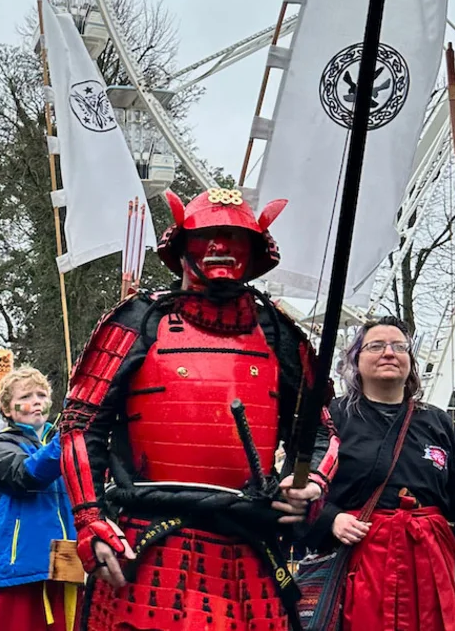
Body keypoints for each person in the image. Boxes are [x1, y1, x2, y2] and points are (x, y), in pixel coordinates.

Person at [59, 188, 331, 630]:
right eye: (208, 234)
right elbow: (79, 424)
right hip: (149, 539)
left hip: (248, 541)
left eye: (234, 236)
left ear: (256, 248)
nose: (220, 247)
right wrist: (91, 520)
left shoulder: (278, 332)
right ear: (184, 242)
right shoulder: (137, 320)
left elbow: (320, 429)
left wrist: (309, 483)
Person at [305, 316, 455, 630]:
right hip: (358, 564)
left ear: (410, 362)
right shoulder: (331, 418)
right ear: (355, 360)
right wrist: (331, 520)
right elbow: (297, 488)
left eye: (399, 347)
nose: (389, 353)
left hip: (428, 568)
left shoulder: (439, 423)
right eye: (376, 346)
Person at [0, 367, 76, 631]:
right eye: (26, 396)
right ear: (7, 410)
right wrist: (65, 436)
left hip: (70, 565)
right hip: (23, 568)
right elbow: (27, 475)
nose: (36, 401)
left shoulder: (66, 438)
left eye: (42, 394)